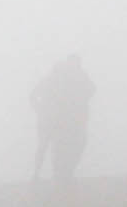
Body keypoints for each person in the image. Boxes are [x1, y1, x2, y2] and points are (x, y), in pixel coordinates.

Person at [30, 54, 96, 184]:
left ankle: (57, 174)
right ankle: (40, 174)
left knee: (57, 146)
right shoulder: (50, 82)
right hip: (50, 120)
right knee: (48, 146)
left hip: (60, 120)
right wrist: (39, 109)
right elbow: (33, 95)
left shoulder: (75, 80)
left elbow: (92, 90)